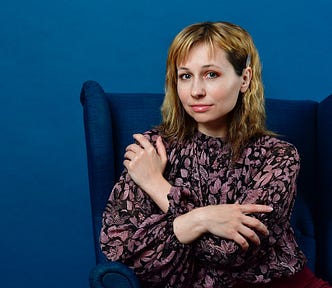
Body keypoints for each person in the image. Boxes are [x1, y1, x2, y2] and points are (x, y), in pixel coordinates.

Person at [100, 21, 331, 287]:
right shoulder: (150, 151)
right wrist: (203, 218)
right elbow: (119, 246)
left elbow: (233, 253)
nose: (196, 91)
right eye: (185, 76)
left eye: (211, 74)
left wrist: (157, 186)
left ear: (244, 79)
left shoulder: (278, 156)